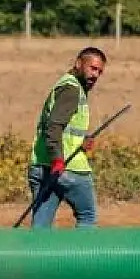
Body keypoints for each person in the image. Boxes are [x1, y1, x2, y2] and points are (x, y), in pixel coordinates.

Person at [27, 47, 108, 229]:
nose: (96, 75)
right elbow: (54, 126)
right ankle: (82, 257)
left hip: (41, 164)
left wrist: (82, 140)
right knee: (87, 217)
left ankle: (36, 256)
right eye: (92, 68)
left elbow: (63, 128)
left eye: (100, 72)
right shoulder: (72, 90)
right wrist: (57, 159)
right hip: (67, 168)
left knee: (40, 227)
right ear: (78, 64)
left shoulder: (64, 85)